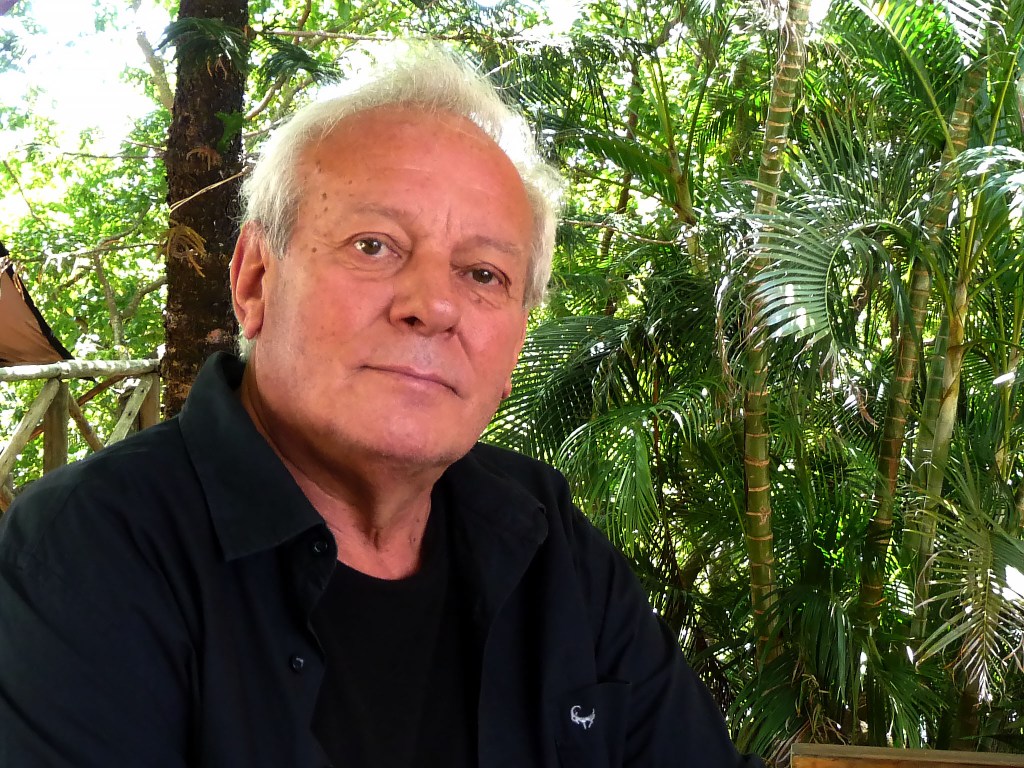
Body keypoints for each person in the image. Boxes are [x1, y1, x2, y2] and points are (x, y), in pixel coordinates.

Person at [0, 47, 762, 768]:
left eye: (485, 274)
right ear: (256, 281)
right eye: (374, 245)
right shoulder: (86, 551)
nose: (433, 304)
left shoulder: (544, 538)